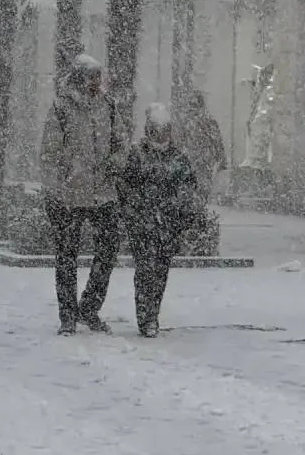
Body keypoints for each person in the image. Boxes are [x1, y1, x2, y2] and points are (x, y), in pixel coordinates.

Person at [39, 54, 126, 335]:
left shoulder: (108, 106)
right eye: (91, 76)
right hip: (70, 193)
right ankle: (67, 315)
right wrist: (58, 184)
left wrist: (114, 163)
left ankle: (89, 307)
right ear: (78, 78)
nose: (96, 82)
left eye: (99, 76)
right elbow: (49, 151)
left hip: (103, 193)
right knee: (66, 256)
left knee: (109, 249)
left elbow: (121, 143)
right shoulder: (61, 107)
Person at [118, 103, 200, 338]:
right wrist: (136, 210)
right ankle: (146, 317)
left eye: (164, 130)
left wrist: (178, 209)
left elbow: (188, 187)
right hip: (142, 224)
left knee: (161, 271)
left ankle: (153, 312)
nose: (161, 135)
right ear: (149, 130)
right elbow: (126, 186)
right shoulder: (137, 154)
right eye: (156, 130)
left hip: (168, 224)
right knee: (145, 270)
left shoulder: (179, 157)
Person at [175, 91, 226, 209]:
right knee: (201, 187)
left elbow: (180, 142)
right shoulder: (206, 120)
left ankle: (196, 208)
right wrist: (221, 157)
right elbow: (217, 140)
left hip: (195, 160)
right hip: (201, 160)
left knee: (196, 187)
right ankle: (198, 208)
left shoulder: (188, 122)